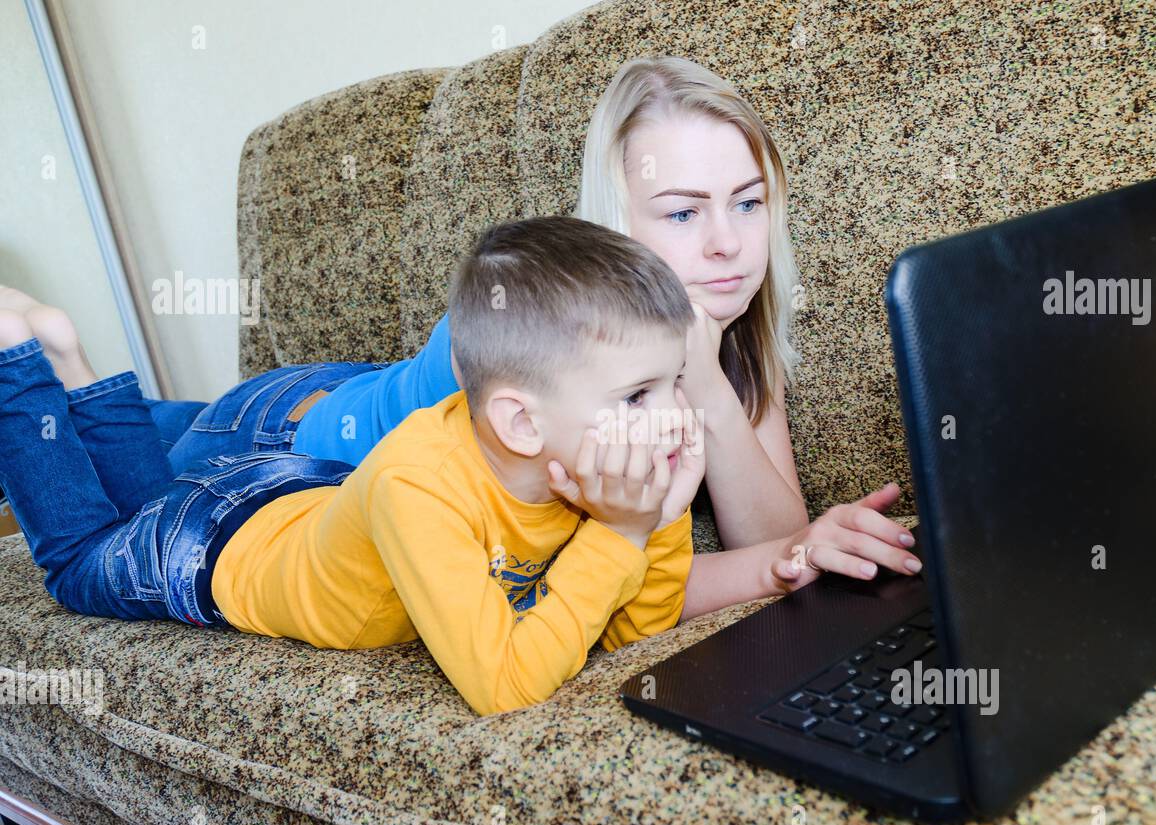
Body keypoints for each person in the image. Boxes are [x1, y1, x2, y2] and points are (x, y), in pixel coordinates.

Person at [0, 55, 921, 622]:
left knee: (151, 432)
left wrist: (711, 382)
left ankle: (67, 364)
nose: (727, 242)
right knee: (139, 481)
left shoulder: (725, 320)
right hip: (284, 436)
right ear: (617, 222)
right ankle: (48, 360)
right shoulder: (571, 348)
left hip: (344, 387)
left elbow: (781, 536)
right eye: (682, 213)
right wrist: (785, 557)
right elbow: (591, 590)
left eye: (749, 203)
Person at [0, 217, 703, 716]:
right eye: (639, 394)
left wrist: (657, 520)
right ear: (522, 421)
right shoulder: (419, 484)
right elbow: (507, 685)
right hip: (210, 548)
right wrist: (621, 537)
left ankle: (68, 357)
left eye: (675, 382)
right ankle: (14, 360)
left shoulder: (588, 469)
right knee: (83, 560)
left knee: (142, 503)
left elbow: (626, 639)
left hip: (299, 490)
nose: (673, 413)